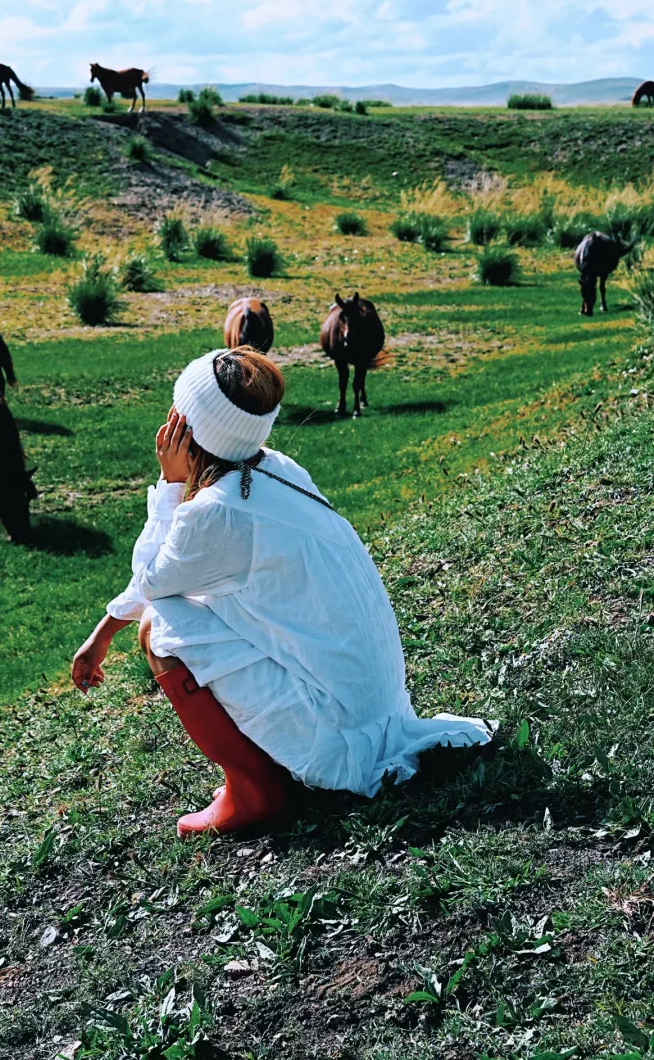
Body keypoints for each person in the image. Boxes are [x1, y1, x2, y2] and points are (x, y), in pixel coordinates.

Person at [71, 346, 491, 837]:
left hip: (337, 727)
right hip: (374, 704)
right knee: (177, 608)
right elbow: (179, 571)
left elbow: (155, 583)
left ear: (188, 430)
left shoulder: (216, 513)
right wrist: (103, 632)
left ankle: (254, 791)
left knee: (157, 626)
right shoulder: (276, 468)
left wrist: (168, 486)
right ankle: (263, 775)